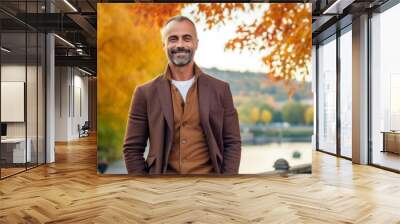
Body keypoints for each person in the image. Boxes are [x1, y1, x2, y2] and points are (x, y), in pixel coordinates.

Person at [123, 15, 241, 175]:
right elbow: (132, 148)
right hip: (162, 190)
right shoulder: (145, 93)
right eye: (173, 39)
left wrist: (225, 183)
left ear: (196, 44)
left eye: (187, 38)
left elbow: (232, 143)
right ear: (163, 44)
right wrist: (145, 186)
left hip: (210, 189)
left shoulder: (220, 90)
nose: (180, 45)